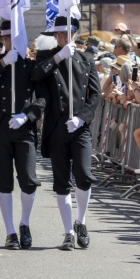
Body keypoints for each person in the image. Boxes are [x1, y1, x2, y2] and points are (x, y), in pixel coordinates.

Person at [32, 16, 100, 251]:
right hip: (57, 126)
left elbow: (95, 95)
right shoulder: (47, 58)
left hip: (79, 126)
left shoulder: (86, 59)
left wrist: (82, 118)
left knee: (83, 174)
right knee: (62, 182)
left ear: (74, 33)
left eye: (67, 33)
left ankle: (80, 221)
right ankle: (68, 232)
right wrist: (59, 57)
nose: (62, 37)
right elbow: (37, 75)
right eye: (58, 34)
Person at [0, 21, 45, 250]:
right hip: (0, 127)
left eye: (14, 38)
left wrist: (27, 116)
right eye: (6, 39)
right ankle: (10, 232)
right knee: (4, 182)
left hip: (23, 126)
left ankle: (24, 223)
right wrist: (4, 62)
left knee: (27, 179)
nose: (10, 42)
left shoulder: (32, 65)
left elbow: (42, 99)